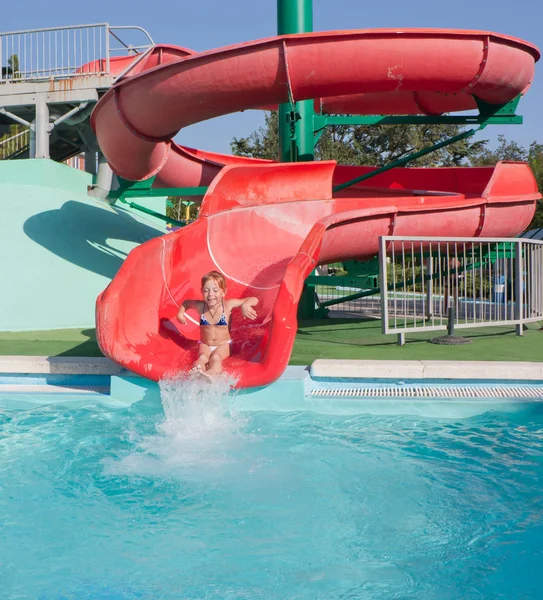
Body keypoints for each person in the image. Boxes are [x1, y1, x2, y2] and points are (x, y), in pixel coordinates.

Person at [177, 270, 258, 380]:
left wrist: (246, 305)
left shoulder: (228, 305)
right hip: (205, 343)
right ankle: (197, 371)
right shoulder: (201, 306)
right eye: (206, 290)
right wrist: (180, 314)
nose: (211, 294)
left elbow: (254, 299)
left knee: (216, 357)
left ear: (223, 292)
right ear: (201, 291)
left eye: (215, 290)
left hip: (223, 344)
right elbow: (185, 303)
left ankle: (211, 374)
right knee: (202, 357)